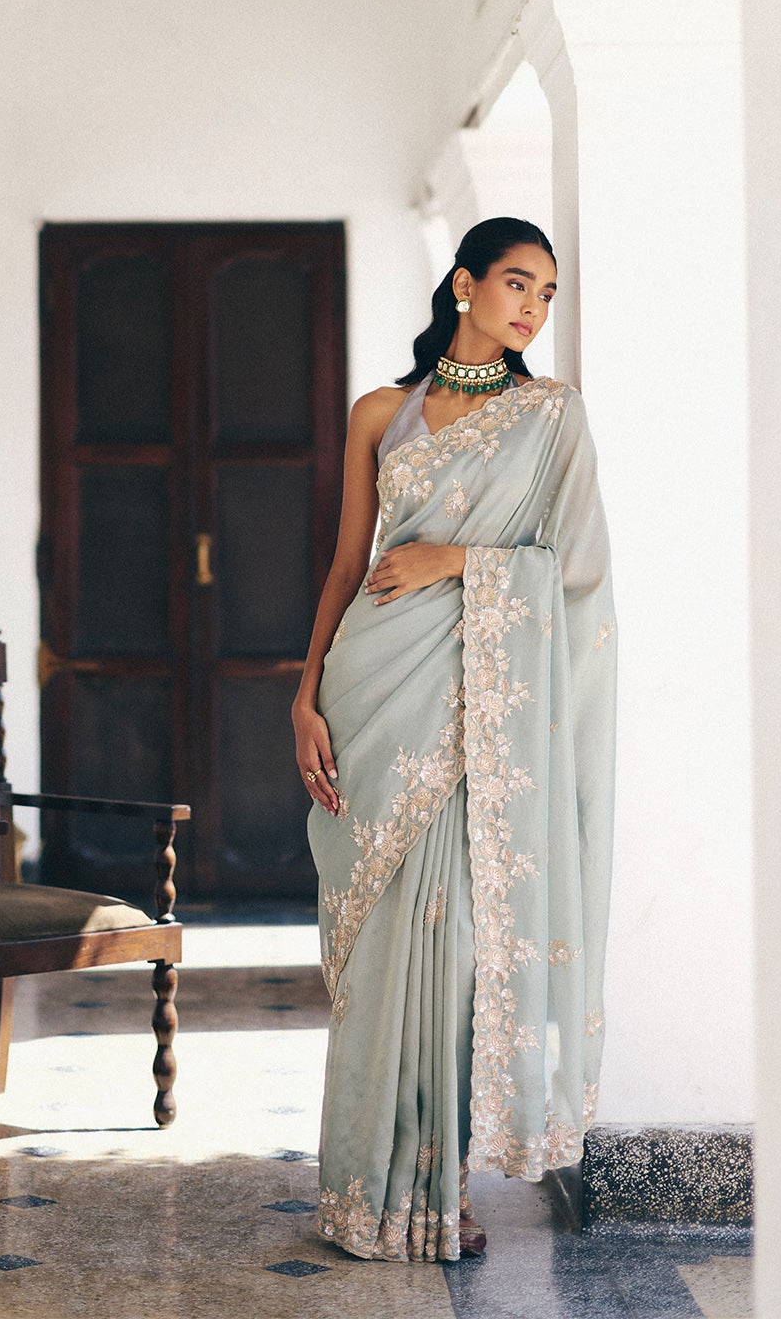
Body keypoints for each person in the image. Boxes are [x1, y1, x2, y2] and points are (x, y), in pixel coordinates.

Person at [292, 217, 616, 1263]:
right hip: (372, 690)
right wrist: (305, 696)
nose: (531, 307)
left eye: (547, 294)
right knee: (383, 946)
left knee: (464, 943)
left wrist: (458, 564)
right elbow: (347, 567)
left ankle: (442, 1189)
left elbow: (575, 577)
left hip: (481, 706)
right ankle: (367, 1193)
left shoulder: (551, 418)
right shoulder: (380, 413)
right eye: (517, 283)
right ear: (465, 284)